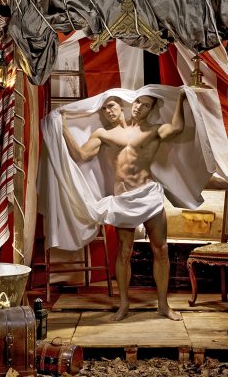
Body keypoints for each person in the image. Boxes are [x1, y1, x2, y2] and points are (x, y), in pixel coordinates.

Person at [61, 91, 187, 321]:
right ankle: (124, 305)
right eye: (137, 102)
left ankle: (163, 305)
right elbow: (80, 155)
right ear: (131, 103)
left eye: (145, 105)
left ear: (150, 109)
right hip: (123, 199)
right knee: (124, 252)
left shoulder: (153, 130)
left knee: (161, 249)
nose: (139, 107)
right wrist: (63, 127)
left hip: (149, 195)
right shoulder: (104, 134)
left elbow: (177, 128)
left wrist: (181, 99)